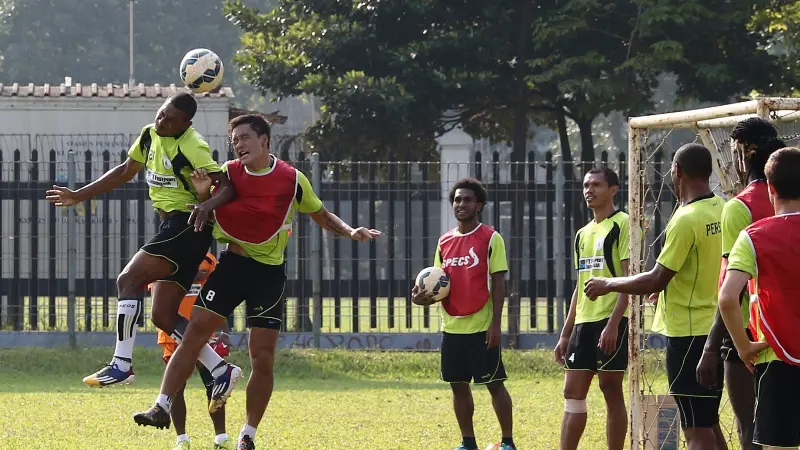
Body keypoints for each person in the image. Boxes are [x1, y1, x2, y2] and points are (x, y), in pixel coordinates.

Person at [133, 114, 381, 450]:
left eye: (245, 138)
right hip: (232, 266)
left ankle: (247, 435)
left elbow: (321, 214)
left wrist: (351, 230)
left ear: (264, 140)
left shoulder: (291, 179)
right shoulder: (229, 173)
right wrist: (204, 193)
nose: (238, 145)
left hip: (269, 274)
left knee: (261, 357)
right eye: (235, 140)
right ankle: (161, 405)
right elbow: (199, 202)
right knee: (192, 333)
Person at [45, 93, 242, 401]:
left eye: (170, 119)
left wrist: (208, 206)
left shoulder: (193, 146)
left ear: (186, 124)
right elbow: (126, 170)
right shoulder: (150, 134)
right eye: (161, 114)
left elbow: (228, 186)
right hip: (173, 228)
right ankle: (220, 369)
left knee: (128, 280)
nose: (162, 121)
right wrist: (78, 195)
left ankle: (121, 363)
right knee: (163, 316)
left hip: (187, 226)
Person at [584, 143, 728, 450]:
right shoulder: (723, 208)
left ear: (676, 172)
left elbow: (656, 278)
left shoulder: (686, 218)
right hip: (716, 330)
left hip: (689, 336)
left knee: (695, 430)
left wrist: (608, 284)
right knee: (708, 420)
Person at [699, 117, 785, 450]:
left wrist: (711, 346)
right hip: (788, 327)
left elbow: (729, 290)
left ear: (741, 153)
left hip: (750, 332)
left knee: (750, 432)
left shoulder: (741, 206)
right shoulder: (788, 202)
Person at [413, 177, 515, 450]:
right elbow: (436, 284)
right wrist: (420, 298)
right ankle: (468, 442)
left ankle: (507, 442)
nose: (461, 204)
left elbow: (499, 282)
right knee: (458, 386)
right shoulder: (444, 241)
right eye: (457, 199)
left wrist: (496, 324)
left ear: (479, 205)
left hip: (482, 327)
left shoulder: (491, 238)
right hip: (452, 327)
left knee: (494, 384)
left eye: (468, 199)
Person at [719, 147, 800, 450]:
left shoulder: (753, 236)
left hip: (775, 358)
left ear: (771, 189)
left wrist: (743, 346)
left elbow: (727, 298)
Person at [555, 167, 629, 450]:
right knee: (572, 392)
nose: (589, 190)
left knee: (610, 389)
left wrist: (614, 323)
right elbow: (580, 284)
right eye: (586, 185)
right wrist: (565, 333)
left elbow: (627, 278)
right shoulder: (582, 234)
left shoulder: (623, 223)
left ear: (613, 189)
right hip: (584, 323)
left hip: (611, 321)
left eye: (596, 184)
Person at [150, 252, 235, 450]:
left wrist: (224, 331)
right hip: (173, 331)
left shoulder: (209, 260)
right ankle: (182, 439)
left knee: (215, 385)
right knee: (176, 387)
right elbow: (157, 293)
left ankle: (221, 437)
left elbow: (217, 298)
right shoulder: (163, 255)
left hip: (205, 329)